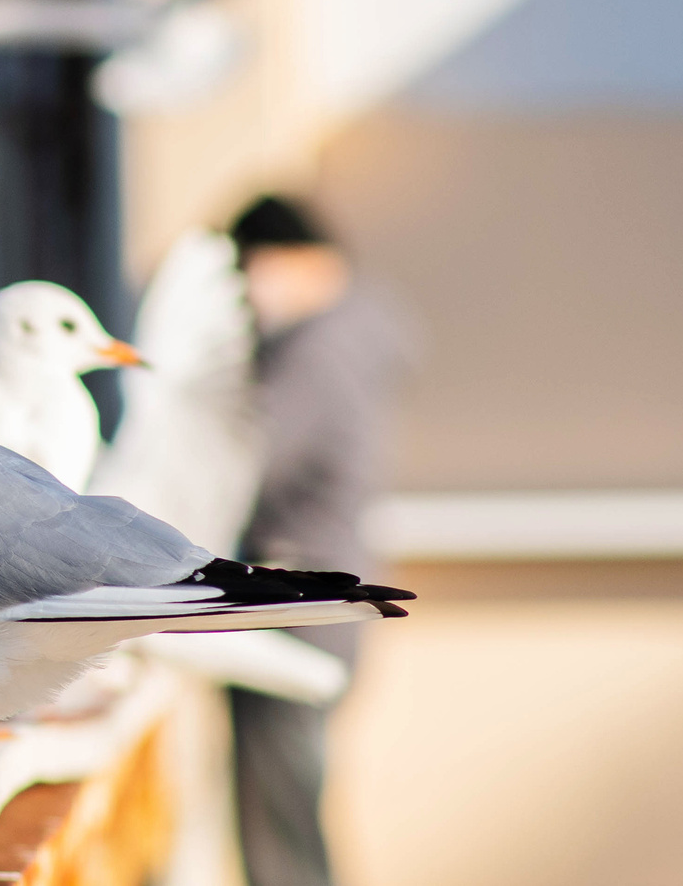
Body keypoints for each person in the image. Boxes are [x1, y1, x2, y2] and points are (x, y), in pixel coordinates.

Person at [226, 195, 410, 886]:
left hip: (295, 604)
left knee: (281, 822)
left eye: (251, 271)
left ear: (294, 259)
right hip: (331, 595)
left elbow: (247, 460)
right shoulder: (364, 329)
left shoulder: (317, 346)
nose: (248, 295)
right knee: (294, 805)